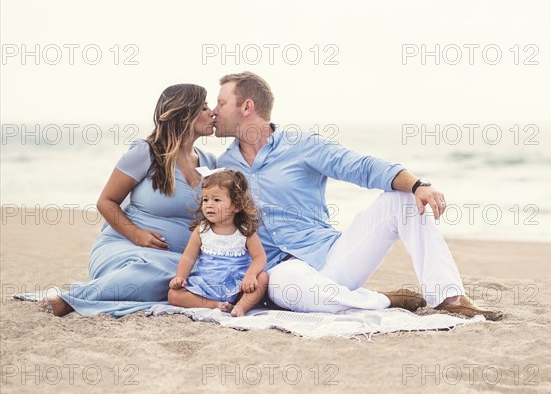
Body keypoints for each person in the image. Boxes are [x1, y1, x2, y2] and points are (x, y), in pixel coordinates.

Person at [213, 72, 503, 321]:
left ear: (247, 106)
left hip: (333, 256)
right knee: (290, 287)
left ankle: (449, 298)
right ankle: (385, 300)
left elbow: (360, 166)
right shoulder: (222, 167)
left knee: (400, 200)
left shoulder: (301, 146)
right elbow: (197, 212)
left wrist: (418, 186)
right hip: (281, 271)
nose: (215, 110)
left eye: (221, 103)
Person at [47, 84, 217, 317]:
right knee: (155, 271)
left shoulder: (210, 163)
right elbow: (106, 201)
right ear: (185, 113)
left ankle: (98, 296)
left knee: (194, 274)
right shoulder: (146, 152)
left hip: (178, 259)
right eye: (204, 107)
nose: (212, 113)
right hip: (125, 249)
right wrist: (137, 235)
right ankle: (72, 300)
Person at [168, 170, 268, 317]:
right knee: (173, 295)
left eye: (216, 200)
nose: (209, 205)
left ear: (237, 206)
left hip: (237, 286)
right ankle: (216, 305)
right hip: (206, 287)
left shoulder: (245, 232)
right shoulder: (201, 230)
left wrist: (251, 275)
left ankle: (241, 307)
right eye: (205, 200)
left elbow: (260, 257)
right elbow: (188, 258)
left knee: (263, 278)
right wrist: (180, 277)